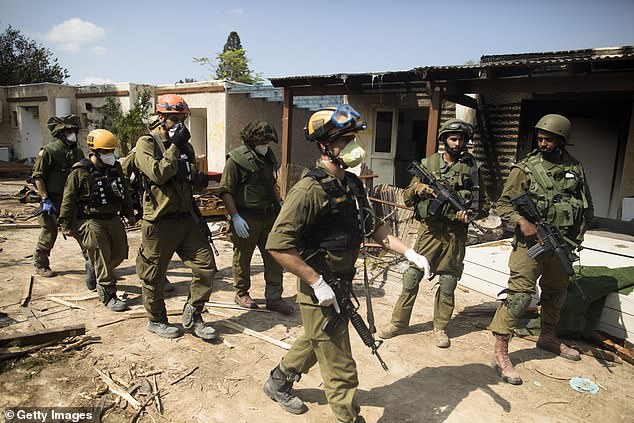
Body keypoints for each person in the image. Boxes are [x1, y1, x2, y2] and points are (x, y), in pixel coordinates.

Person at [262, 105, 431, 423]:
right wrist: (315, 281)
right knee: (342, 371)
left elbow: (374, 228)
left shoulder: (352, 185)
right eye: (345, 140)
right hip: (320, 288)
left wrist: (409, 253)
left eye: (354, 138)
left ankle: (278, 381)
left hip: (340, 283)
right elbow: (277, 245)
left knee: (318, 339)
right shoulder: (308, 191)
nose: (355, 146)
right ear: (325, 146)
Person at [488, 114, 594, 385]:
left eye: (549, 139)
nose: (543, 142)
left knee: (556, 292)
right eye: (540, 137)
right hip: (530, 245)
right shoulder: (525, 169)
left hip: (561, 245)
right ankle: (500, 352)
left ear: (562, 141)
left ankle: (548, 337)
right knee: (520, 296)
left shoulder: (576, 168)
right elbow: (502, 204)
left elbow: (587, 207)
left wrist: (577, 237)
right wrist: (522, 221)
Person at [379, 119, 491, 348]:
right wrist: (419, 188)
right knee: (412, 276)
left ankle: (440, 327)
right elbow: (408, 197)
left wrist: (471, 214)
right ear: (444, 140)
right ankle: (398, 323)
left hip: (455, 233)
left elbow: (485, 205)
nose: (457, 143)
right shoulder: (427, 165)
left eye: (461, 139)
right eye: (453, 138)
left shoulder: (473, 169)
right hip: (429, 230)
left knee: (448, 281)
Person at [134, 94, 217, 340]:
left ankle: (194, 313)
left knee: (206, 266)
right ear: (161, 118)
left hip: (186, 218)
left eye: (183, 119)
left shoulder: (186, 146)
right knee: (154, 274)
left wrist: (199, 181)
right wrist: (174, 146)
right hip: (159, 221)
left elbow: (190, 178)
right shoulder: (146, 143)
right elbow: (158, 173)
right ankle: (156, 319)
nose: (180, 124)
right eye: (174, 119)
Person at [219, 120, 293, 315]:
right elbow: (225, 191)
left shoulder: (269, 157)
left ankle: (274, 297)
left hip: (268, 215)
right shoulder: (235, 160)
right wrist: (235, 217)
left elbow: (272, 184)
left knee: (275, 257)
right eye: (262, 142)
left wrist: (280, 204)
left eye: (268, 142)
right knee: (243, 257)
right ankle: (241, 293)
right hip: (246, 216)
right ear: (252, 141)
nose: (265, 146)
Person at [59, 129, 134, 312]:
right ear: (95, 151)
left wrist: (129, 213)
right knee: (101, 254)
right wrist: (65, 224)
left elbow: (123, 192)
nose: (110, 155)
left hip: (112, 217)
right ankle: (108, 294)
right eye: (106, 151)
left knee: (119, 252)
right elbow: (68, 199)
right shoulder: (80, 171)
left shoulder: (115, 168)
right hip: (90, 220)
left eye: (111, 151)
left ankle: (92, 265)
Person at [31, 114, 96, 287]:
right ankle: (41, 263)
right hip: (52, 200)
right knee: (49, 232)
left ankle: (92, 264)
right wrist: (45, 199)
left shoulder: (77, 152)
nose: (72, 135)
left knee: (81, 231)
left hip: (72, 200)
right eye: (68, 132)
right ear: (60, 134)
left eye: (73, 131)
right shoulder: (49, 151)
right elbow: (38, 177)